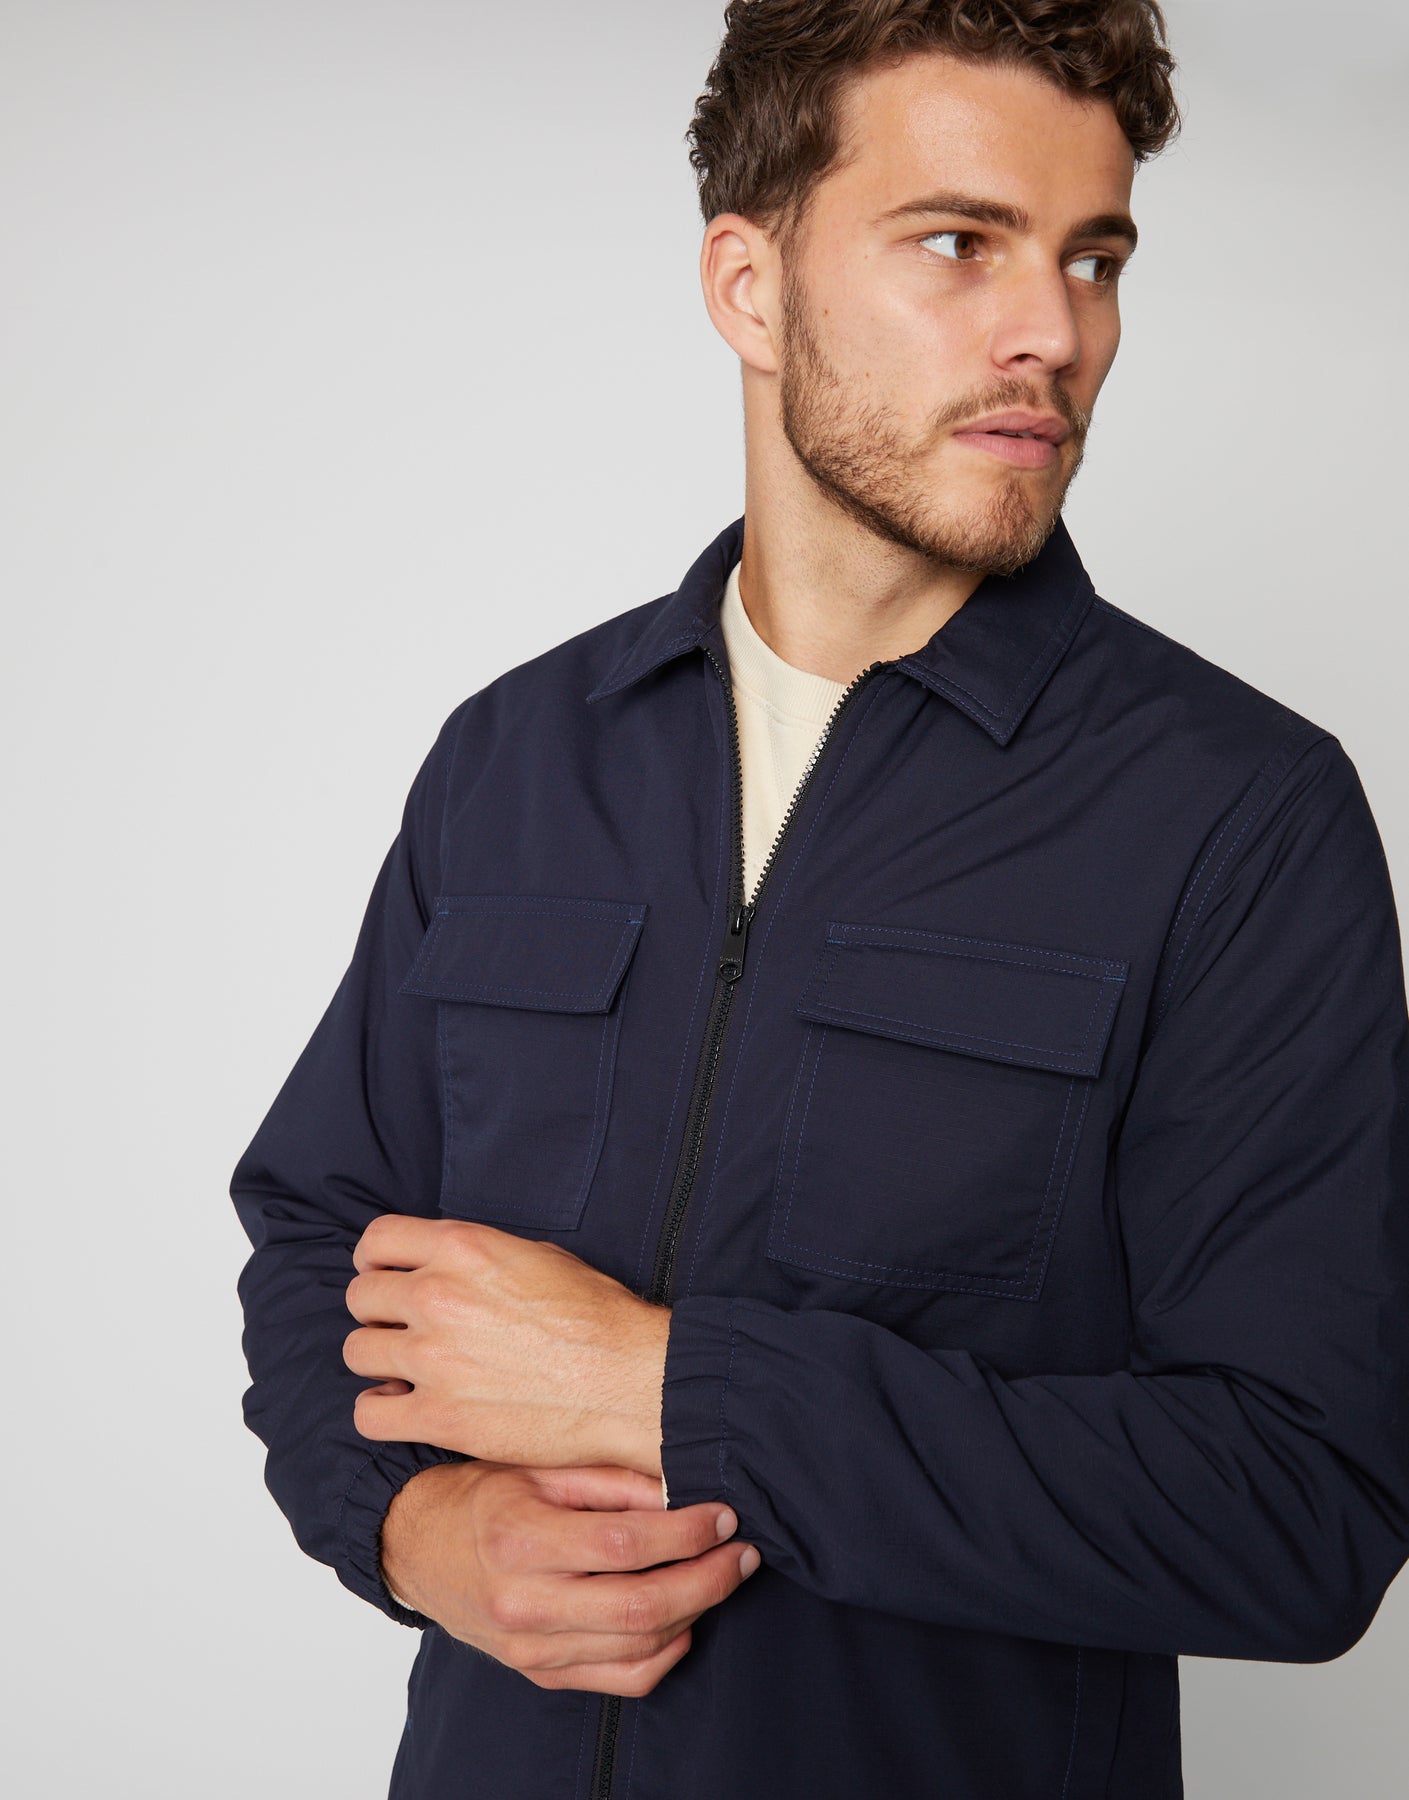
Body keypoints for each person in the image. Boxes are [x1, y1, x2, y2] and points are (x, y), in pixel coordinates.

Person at [230, 3, 1409, 1795]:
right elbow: (323, 1232)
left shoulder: (1238, 816)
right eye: (958, 243)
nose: (1053, 331)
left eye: (1092, 259)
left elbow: (1299, 1506)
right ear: (749, 287)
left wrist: (670, 1390)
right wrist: (408, 1529)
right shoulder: (518, 756)